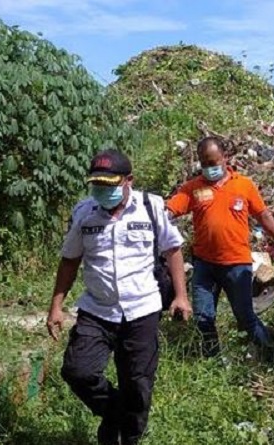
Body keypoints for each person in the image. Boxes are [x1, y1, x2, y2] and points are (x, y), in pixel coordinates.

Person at [47, 149, 192, 445]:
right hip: (97, 310)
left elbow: (173, 250)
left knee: (138, 385)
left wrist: (181, 297)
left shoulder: (151, 207)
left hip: (142, 310)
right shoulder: (83, 212)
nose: (102, 191)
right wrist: (56, 307)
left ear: (128, 181)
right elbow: (69, 260)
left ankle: (128, 438)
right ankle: (113, 413)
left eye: (109, 185)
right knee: (77, 371)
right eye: (97, 185)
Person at [167, 137, 274, 357]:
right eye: (204, 164)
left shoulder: (243, 185)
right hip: (204, 266)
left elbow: (264, 216)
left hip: (237, 265)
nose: (209, 168)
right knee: (203, 318)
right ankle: (212, 360)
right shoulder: (193, 188)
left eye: (213, 162)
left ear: (225, 158)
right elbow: (170, 209)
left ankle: (269, 355)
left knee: (245, 316)